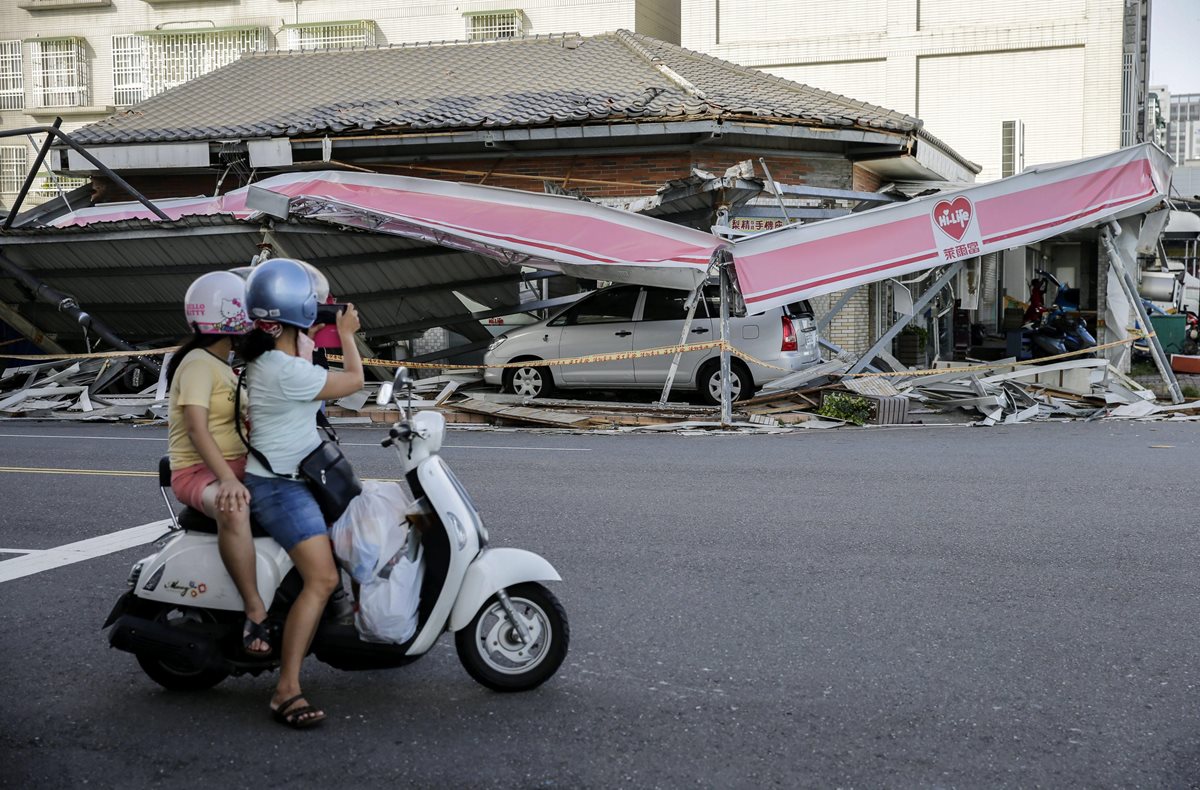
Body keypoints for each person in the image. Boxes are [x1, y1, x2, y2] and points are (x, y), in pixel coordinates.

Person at [240, 258, 364, 729]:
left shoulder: (278, 356)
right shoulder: (283, 370)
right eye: (316, 307)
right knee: (323, 578)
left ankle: (339, 621)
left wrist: (314, 326)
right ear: (299, 313)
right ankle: (285, 689)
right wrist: (347, 334)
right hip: (280, 487)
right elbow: (354, 384)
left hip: (300, 474)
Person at [166, 271, 272, 656]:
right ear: (232, 317)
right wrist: (227, 479)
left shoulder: (221, 364)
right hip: (198, 473)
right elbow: (196, 428)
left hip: (237, 464)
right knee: (235, 506)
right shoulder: (197, 363)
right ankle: (255, 609)